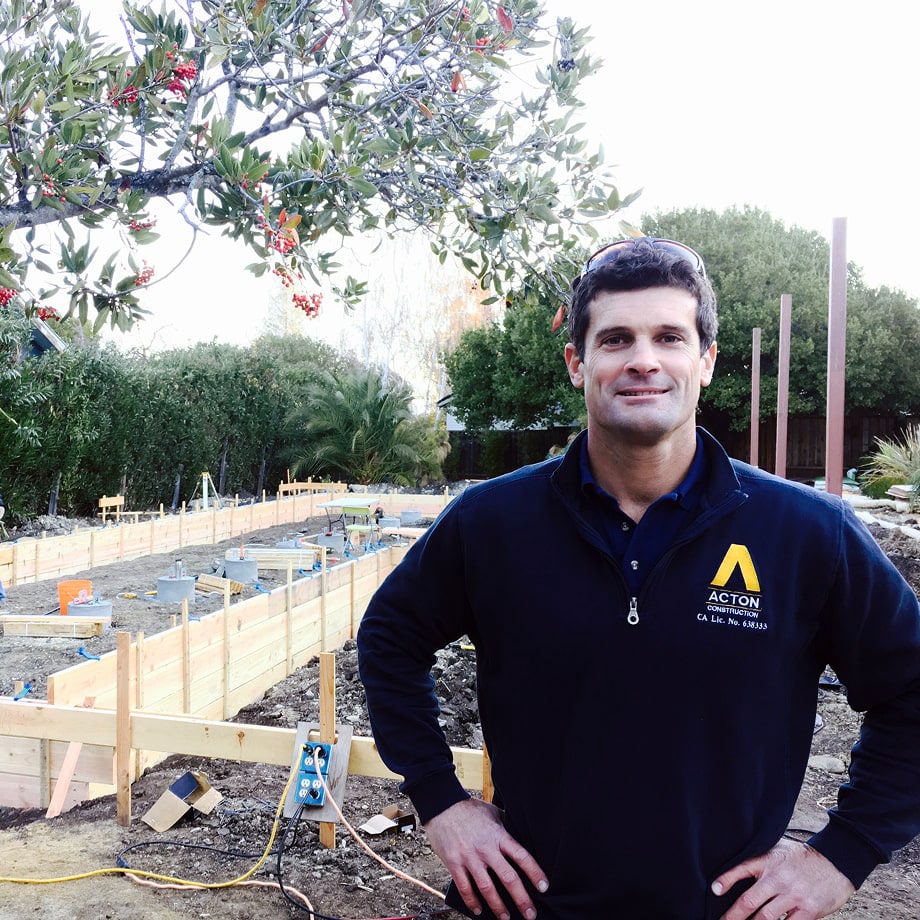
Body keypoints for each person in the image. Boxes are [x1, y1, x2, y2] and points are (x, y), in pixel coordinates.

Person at [356, 238, 920, 919]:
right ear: (578, 362)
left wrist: (843, 854)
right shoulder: (492, 522)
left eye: (669, 337)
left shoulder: (805, 533)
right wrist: (441, 802)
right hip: (531, 906)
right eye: (617, 338)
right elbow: (391, 636)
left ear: (705, 362)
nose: (643, 360)